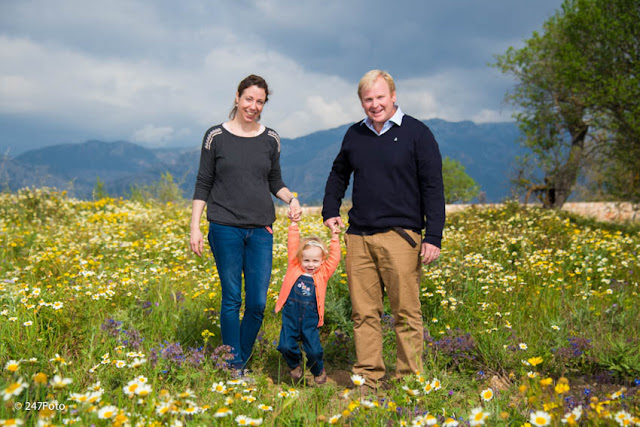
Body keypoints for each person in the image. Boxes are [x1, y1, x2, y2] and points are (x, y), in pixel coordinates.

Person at [322, 70, 445, 391]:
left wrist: (433, 236)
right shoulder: (355, 135)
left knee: (406, 313)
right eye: (368, 99)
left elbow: (433, 187)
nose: (374, 105)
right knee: (364, 314)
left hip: (401, 236)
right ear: (361, 102)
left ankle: (409, 381)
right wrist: (330, 210)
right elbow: (338, 174)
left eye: (380, 97)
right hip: (359, 236)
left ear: (393, 96)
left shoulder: (418, 134)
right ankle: (368, 379)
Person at [190, 74, 301, 373]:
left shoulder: (271, 139)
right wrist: (195, 227)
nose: (253, 106)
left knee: (256, 305)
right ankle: (234, 367)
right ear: (237, 97)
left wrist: (290, 199)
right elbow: (203, 182)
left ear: (264, 104)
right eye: (249, 99)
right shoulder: (215, 136)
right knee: (231, 299)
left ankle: (237, 359)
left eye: (260, 101)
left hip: (261, 231)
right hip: (224, 228)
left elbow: (274, 181)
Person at [274, 214, 341, 385]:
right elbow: (293, 244)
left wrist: (335, 237)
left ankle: (318, 370)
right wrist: (293, 224)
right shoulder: (294, 266)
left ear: (322, 261)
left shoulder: (323, 273)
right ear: (299, 259)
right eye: (307, 260)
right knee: (285, 345)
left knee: (314, 351)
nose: (311, 264)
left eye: (315, 261)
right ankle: (295, 365)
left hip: (310, 317)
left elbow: (334, 258)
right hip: (291, 314)